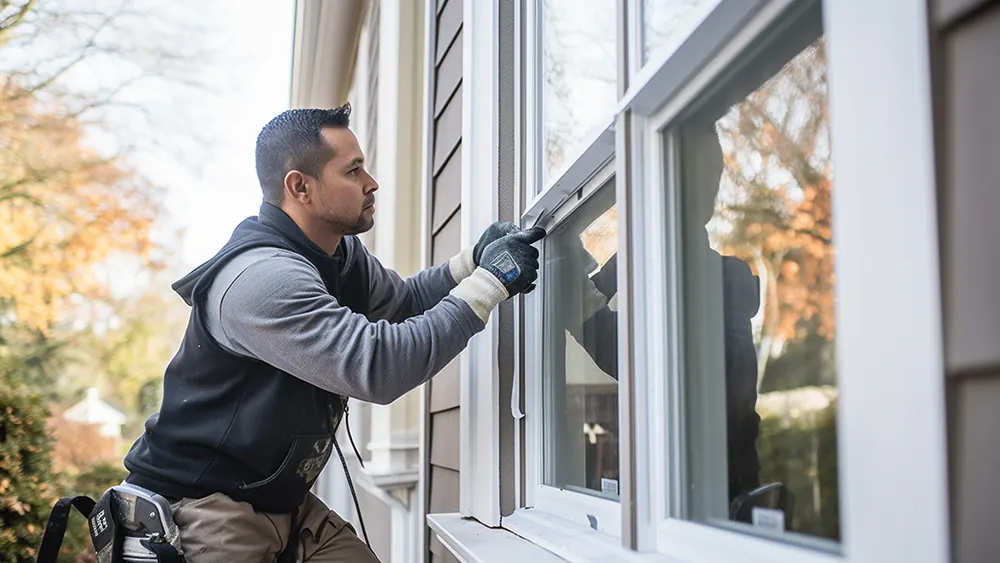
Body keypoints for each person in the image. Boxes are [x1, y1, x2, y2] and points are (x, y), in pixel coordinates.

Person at [122, 103, 545, 563]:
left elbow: (402, 304)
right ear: (299, 187)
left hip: (281, 500)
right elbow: (378, 368)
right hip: (203, 509)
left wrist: (472, 262)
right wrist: (490, 284)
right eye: (354, 170)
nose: (372, 182)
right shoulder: (260, 281)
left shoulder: (340, 254)